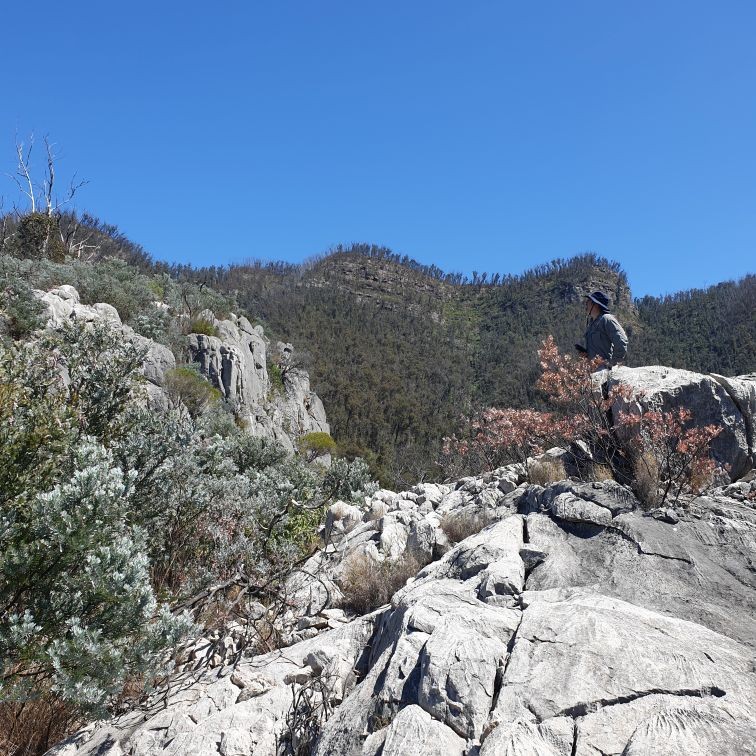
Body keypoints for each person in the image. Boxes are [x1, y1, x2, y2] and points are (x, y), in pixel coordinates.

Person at [575, 291, 628, 369]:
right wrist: (586, 354)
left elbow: (622, 341)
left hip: (604, 372)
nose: (586, 303)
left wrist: (612, 365)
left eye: (589, 301)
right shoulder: (592, 323)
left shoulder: (607, 319)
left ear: (595, 304)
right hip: (593, 372)